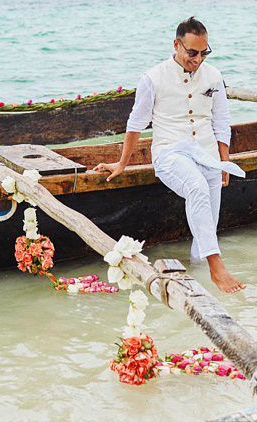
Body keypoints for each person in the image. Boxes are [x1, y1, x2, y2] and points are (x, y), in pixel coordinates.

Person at [93, 17, 247, 293]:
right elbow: (135, 124)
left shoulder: (214, 76)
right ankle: (216, 266)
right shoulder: (153, 78)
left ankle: (201, 278)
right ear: (176, 45)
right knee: (197, 188)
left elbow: (221, 122)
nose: (198, 59)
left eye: (204, 53)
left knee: (207, 226)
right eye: (192, 52)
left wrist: (224, 162)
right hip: (169, 154)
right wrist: (123, 162)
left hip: (208, 154)